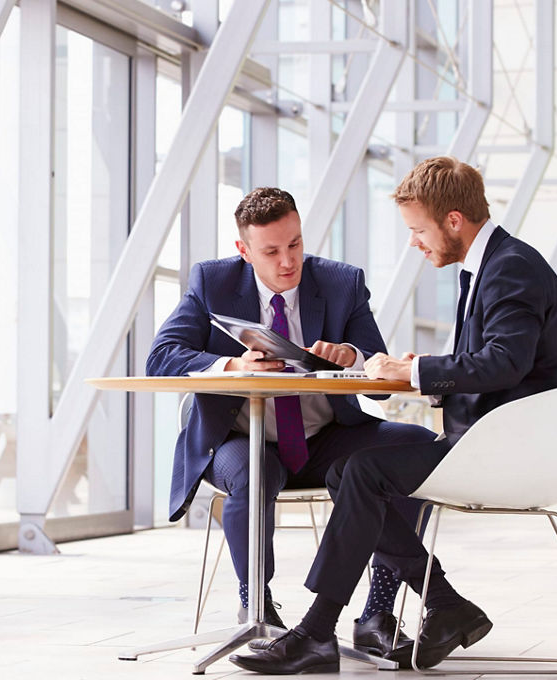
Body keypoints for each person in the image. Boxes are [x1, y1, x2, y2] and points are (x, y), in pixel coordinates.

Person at [230, 156, 557, 675]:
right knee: (352, 470)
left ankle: (318, 632)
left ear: (453, 221)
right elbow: (498, 365)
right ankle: (442, 604)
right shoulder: (492, 265)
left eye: (418, 230)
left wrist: (416, 374)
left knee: (363, 471)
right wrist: (417, 371)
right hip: (500, 440)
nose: (415, 242)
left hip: (512, 451)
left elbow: (505, 363)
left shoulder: (511, 268)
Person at [147, 187, 440, 655]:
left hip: (325, 439)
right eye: (271, 251)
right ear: (244, 251)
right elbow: (161, 357)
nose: (288, 261)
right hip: (242, 440)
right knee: (253, 473)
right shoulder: (213, 281)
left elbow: (378, 375)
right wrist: (233, 365)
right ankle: (257, 608)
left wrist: (354, 357)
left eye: (295, 244)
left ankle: (377, 613)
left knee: (413, 448)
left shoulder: (341, 283)